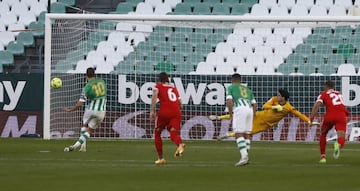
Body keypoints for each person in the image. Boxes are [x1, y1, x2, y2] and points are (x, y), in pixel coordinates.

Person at [211, 89, 317, 140]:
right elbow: (264, 106)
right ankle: (219, 117)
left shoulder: (288, 107)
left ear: (283, 98)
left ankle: (226, 135)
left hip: (264, 124)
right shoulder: (274, 99)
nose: (277, 95)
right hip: (259, 115)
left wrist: (309, 121)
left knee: (245, 132)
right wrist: (274, 107)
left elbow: (299, 114)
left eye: (279, 95)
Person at [64, 67, 107, 152]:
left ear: (86, 75)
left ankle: (82, 147)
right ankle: (77, 146)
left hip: (91, 109)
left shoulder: (86, 87)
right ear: (94, 74)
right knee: (90, 131)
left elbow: (80, 103)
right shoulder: (102, 82)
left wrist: (71, 110)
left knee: (84, 124)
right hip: (101, 111)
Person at [309, 80, 349, 164]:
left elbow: (317, 105)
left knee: (323, 133)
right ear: (334, 87)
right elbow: (341, 105)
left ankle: (323, 157)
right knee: (341, 137)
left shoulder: (323, 94)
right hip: (341, 115)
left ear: (325, 87)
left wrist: (311, 119)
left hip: (330, 116)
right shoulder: (339, 94)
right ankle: (338, 145)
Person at [150, 72, 186, 165]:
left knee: (157, 132)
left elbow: (154, 95)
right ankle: (180, 144)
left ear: (159, 80)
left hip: (164, 112)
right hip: (176, 112)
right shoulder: (173, 88)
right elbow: (180, 103)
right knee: (173, 132)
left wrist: (152, 110)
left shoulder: (158, 86)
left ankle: (161, 158)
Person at [226, 73, 257, 166]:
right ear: (240, 81)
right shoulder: (247, 90)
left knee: (238, 133)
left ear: (232, 80)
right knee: (247, 133)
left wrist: (231, 114)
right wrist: (253, 114)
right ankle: (246, 155)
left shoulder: (231, 87)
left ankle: (244, 157)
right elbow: (254, 104)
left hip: (240, 109)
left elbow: (229, 101)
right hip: (250, 110)